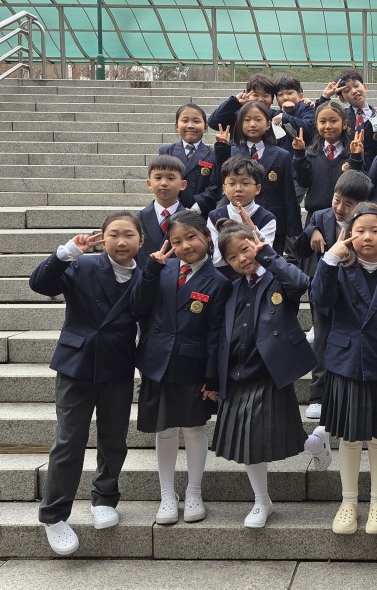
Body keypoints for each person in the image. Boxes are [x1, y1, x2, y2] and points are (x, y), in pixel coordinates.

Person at [30, 212, 144, 556]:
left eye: (129, 235)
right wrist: (67, 252)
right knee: (69, 440)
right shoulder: (82, 265)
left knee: (114, 439)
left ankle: (104, 498)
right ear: (102, 238)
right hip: (77, 364)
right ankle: (54, 515)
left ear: (141, 240)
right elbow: (40, 284)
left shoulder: (149, 274)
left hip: (118, 364)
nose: (121, 241)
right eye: (114, 234)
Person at [211, 220, 332, 528]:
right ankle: (262, 500)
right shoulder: (230, 288)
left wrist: (267, 255)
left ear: (257, 244)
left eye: (245, 249)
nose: (242, 259)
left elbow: (302, 283)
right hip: (237, 374)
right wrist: (213, 377)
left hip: (271, 371)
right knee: (251, 441)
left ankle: (314, 446)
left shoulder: (277, 277)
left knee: (272, 436)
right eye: (232, 257)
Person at [311, 203, 377, 535]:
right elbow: (320, 300)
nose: (367, 236)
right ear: (348, 235)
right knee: (351, 438)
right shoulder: (338, 269)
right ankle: (349, 502)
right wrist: (330, 257)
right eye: (359, 231)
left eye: (375, 230)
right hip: (347, 364)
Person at [130, 212, 231, 525]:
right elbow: (137, 308)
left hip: (193, 365)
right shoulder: (161, 268)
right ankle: (167, 494)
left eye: (191, 237)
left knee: (194, 428)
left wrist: (212, 376)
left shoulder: (219, 282)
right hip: (157, 361)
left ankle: (194, 491)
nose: (185, 245)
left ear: (207, 238)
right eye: (177, 241)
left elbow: (216, 334)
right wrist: (150, 271)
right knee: (165, 429)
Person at [296, 170, 373, 420]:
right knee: (322, 342)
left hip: (353, 295)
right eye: (337, 199)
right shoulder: (320, 216)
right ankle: (317, 395)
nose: (339, 208)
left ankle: (349, 393)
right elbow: (299, 250)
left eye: (348, 204)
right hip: (323, 293)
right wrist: (311, 230)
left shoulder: (366, 224)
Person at [214, 101, 301, 255]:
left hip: (273, 220)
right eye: (247, 120)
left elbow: (289, 193)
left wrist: (294, 229)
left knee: (270, 261)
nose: (252, 124)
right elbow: (221, 179)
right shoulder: (232, 152)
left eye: (258, 119)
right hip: (238, 220)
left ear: (268, 125)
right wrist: (221, 149)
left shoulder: (282, 155)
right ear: (240, 125)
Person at [293, 101, 366, 223]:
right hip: (315, 218)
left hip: (344, 218)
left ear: (344, 124)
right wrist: (299, 154)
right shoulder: (311, 153)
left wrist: (356, 157)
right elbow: (303, 181)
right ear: (316, 124)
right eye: (322, 122)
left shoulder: (352, 153)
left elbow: (358, 184)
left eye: (333, 121)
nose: (327, 126)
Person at [206, 154, 277, 278]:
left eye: (245, 183)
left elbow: (266, 254)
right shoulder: (214, 216)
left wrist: (252, 229)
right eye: (232, 183)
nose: (238, 188)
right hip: (224, 278)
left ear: (257, 188)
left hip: (257, 278)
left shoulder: (267, 218)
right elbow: (215, 258)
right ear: (224, 188)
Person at [158, 103, 222, 217]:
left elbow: (215, 186)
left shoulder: (213, 154)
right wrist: (179, 209)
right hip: (173, 213)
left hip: (203, 213)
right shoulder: (166, 151)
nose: (190, 126)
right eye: (185, 121)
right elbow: (163, 182)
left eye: (196, 121)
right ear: (176, 126)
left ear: (205, 127)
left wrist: (195, 209)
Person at [316, 70, 377, 170]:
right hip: (345, 169)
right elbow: (318, 119)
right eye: (347, 91)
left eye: (356, 86)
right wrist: (325, 96)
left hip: (372, 170)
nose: (354, 91)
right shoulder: (341, 117)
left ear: (365, 87)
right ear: (342, 99)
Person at [137, 155, 188, 268]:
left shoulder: (190, 219)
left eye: (171, 178)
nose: (164, 183)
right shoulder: (138, 218)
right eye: (158, 178)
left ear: (183, 185)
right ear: (149, 183)